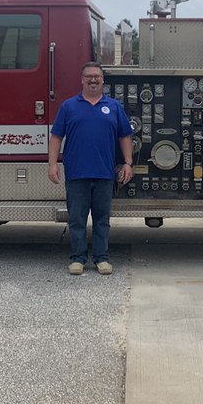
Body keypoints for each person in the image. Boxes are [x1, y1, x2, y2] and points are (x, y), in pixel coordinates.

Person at [48, 62, 134, 275]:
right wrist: (52, 165)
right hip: (77, 174)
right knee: (77, 220)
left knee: (102, 220)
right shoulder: (69, 106)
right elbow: (56, 136)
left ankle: (101, 259)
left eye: (97, 76)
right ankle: (78, 259)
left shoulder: (114, 106)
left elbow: (125, 136)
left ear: (103, 80)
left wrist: (128, 163)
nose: (93, 80)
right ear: (82, 80)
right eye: (89, 76)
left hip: (105, 173)